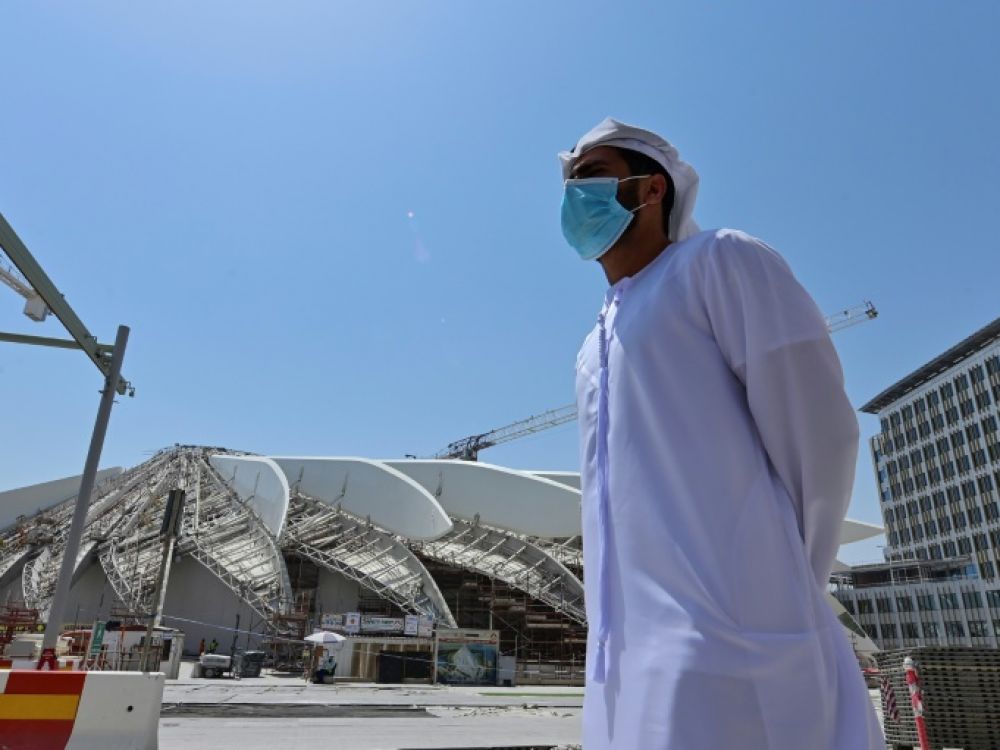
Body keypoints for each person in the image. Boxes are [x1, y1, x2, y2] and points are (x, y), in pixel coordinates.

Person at [561, 117, 884, 749]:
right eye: (569, 182)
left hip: (737, 638)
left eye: (591, 176)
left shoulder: (720, 261)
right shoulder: (592, 342)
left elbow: (818, 435)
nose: (574, 195)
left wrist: (778, 582)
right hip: (622, 660)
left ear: (651, 190)